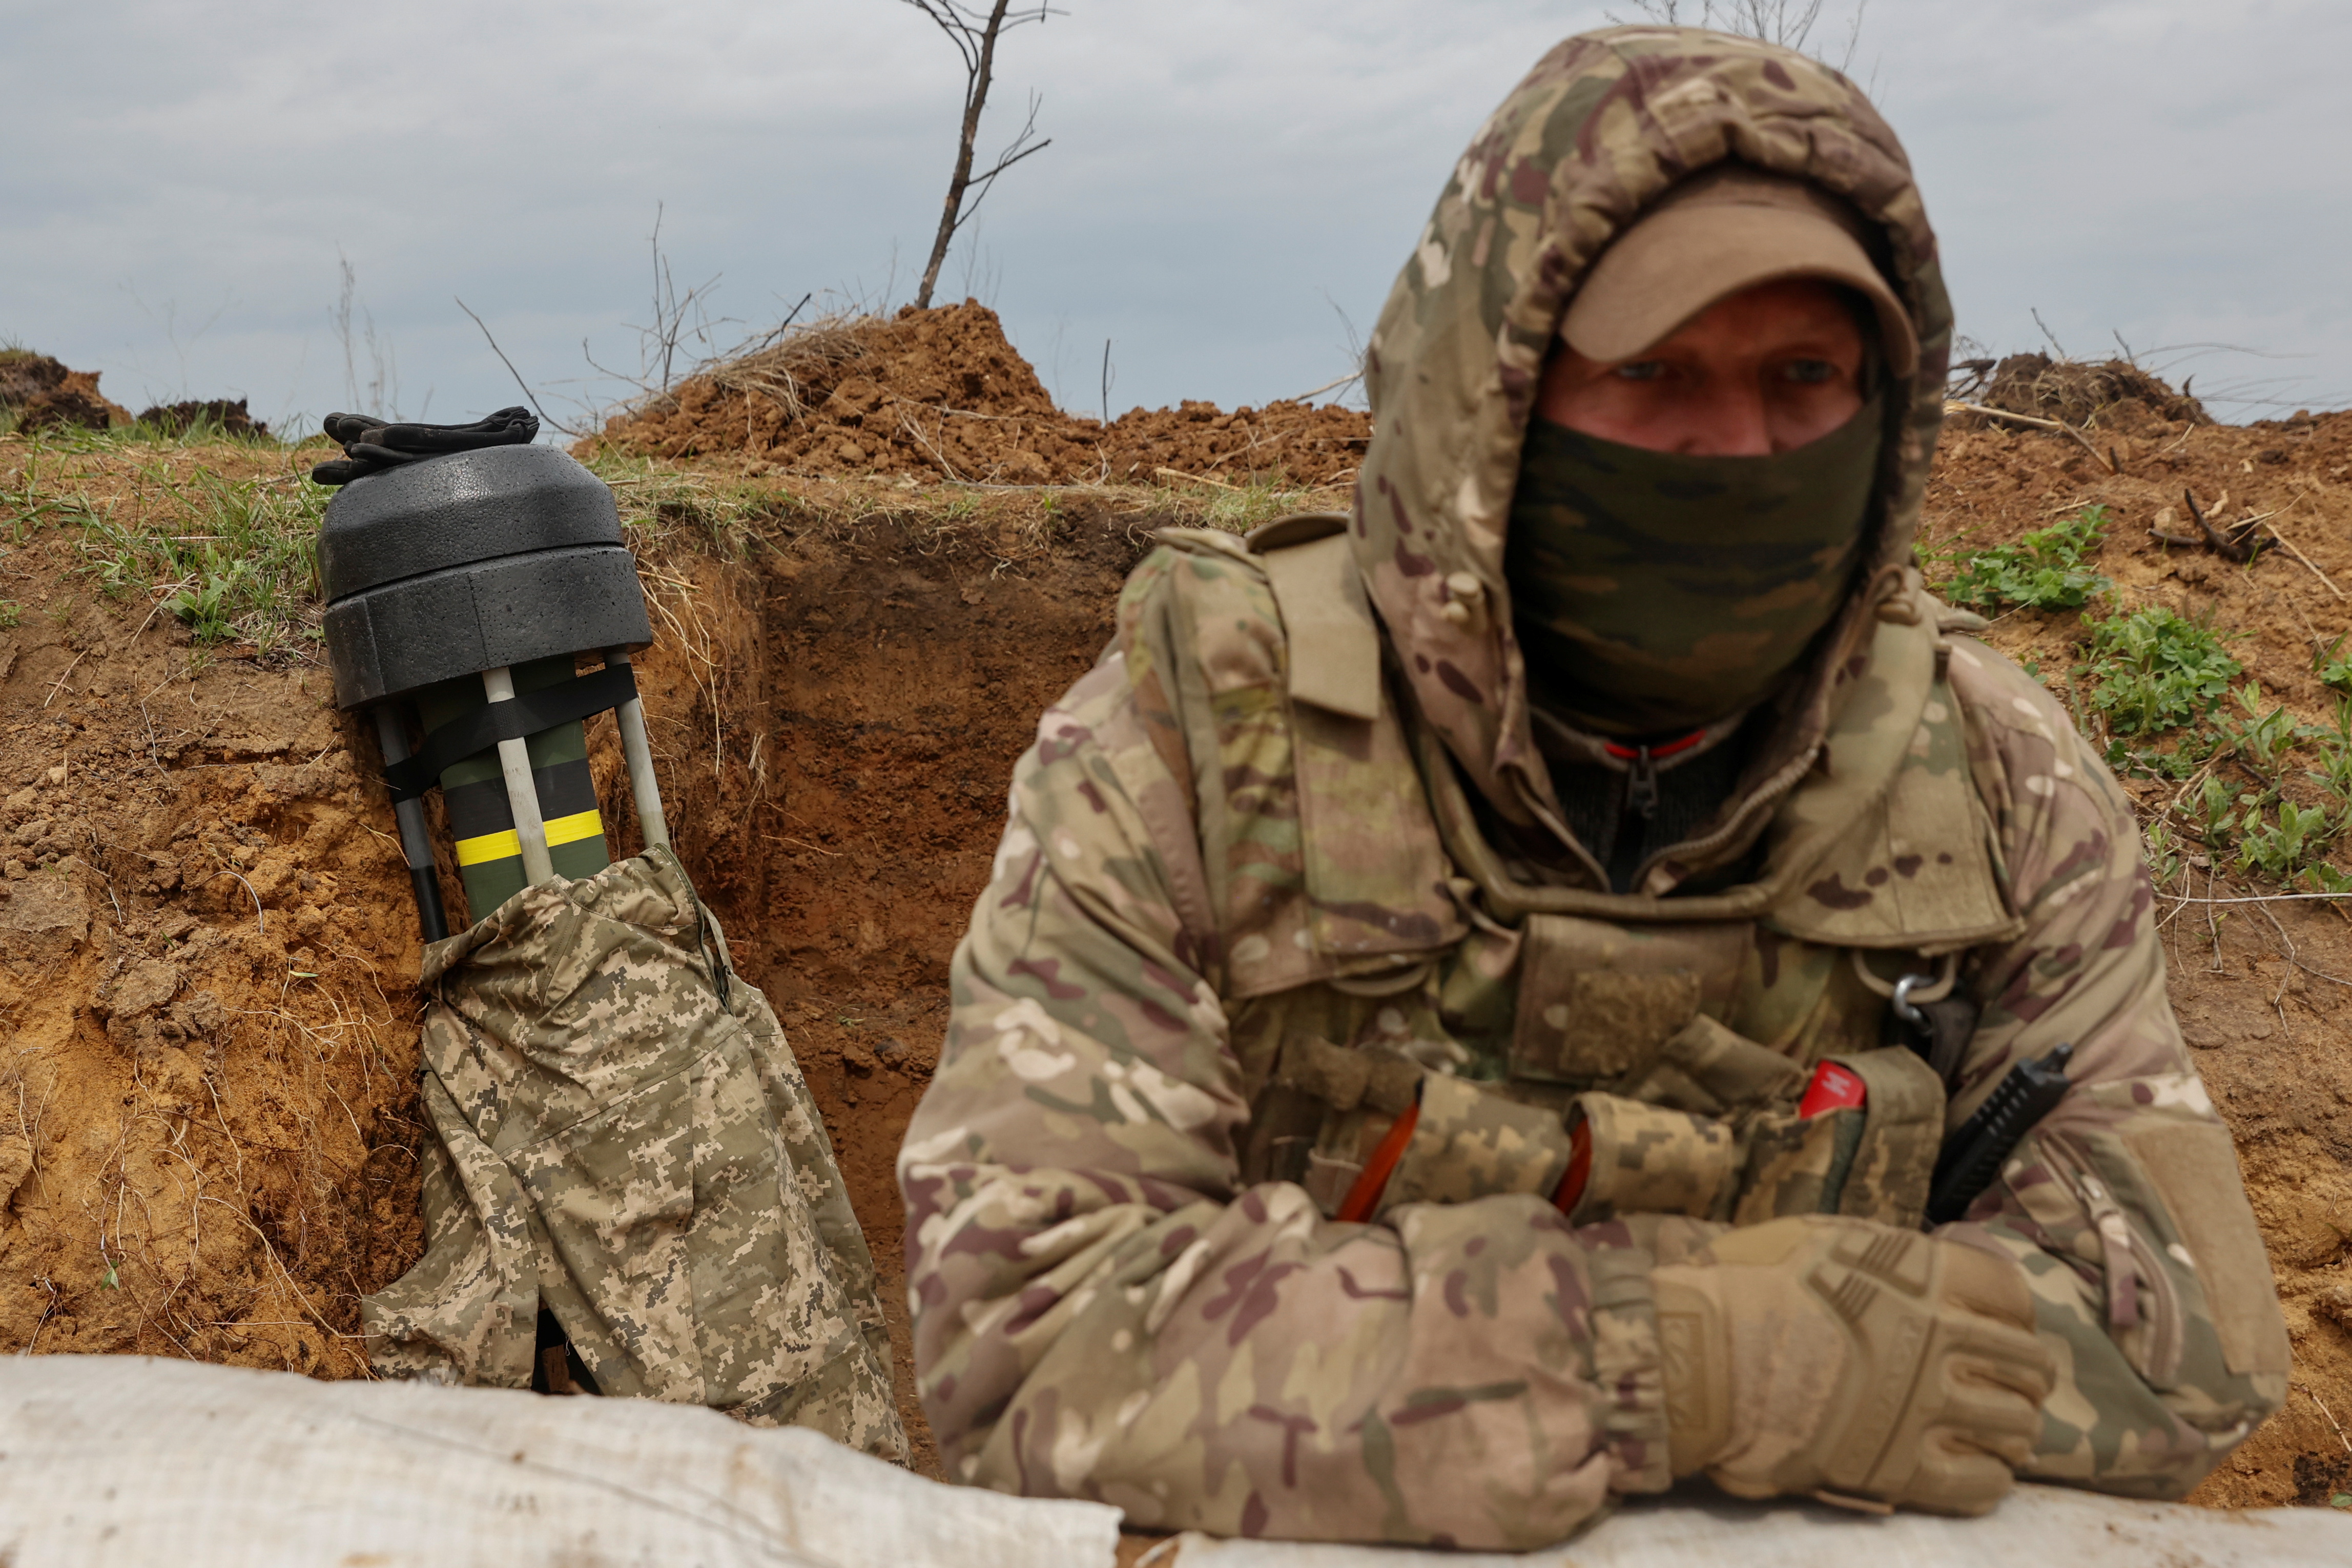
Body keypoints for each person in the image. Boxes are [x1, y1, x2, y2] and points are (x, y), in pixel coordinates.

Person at [897, 25, 2286, 1550]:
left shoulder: (1993, 777)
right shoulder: (1194, 750)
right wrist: (1667, 1357)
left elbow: (2185, 1340)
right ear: (1491, 401)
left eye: (1805, 377)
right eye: (1653, 372)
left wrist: (1371, 1352)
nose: (1737, 446)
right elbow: (1028, 1342)